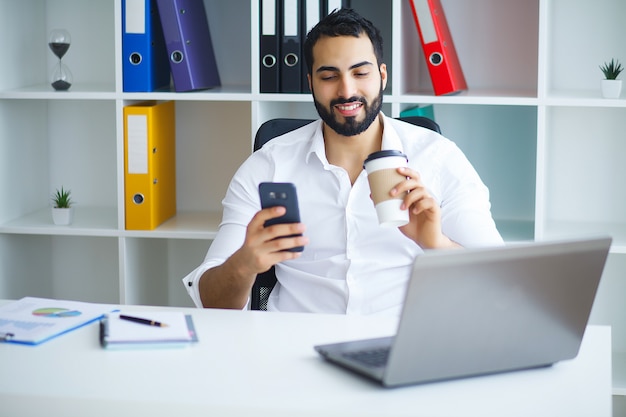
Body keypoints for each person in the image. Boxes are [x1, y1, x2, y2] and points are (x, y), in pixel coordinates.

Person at [183, 8, 503, 315]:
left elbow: (500, 282)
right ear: (310, 82)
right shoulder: (268, 166)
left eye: (360, 73)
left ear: (382, 75)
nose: (347, 90)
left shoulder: (438, 158)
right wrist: (244, 263)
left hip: (399, 346)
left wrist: (436, 243)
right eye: (329, 76)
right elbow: (211, 304)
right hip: (292, 351)